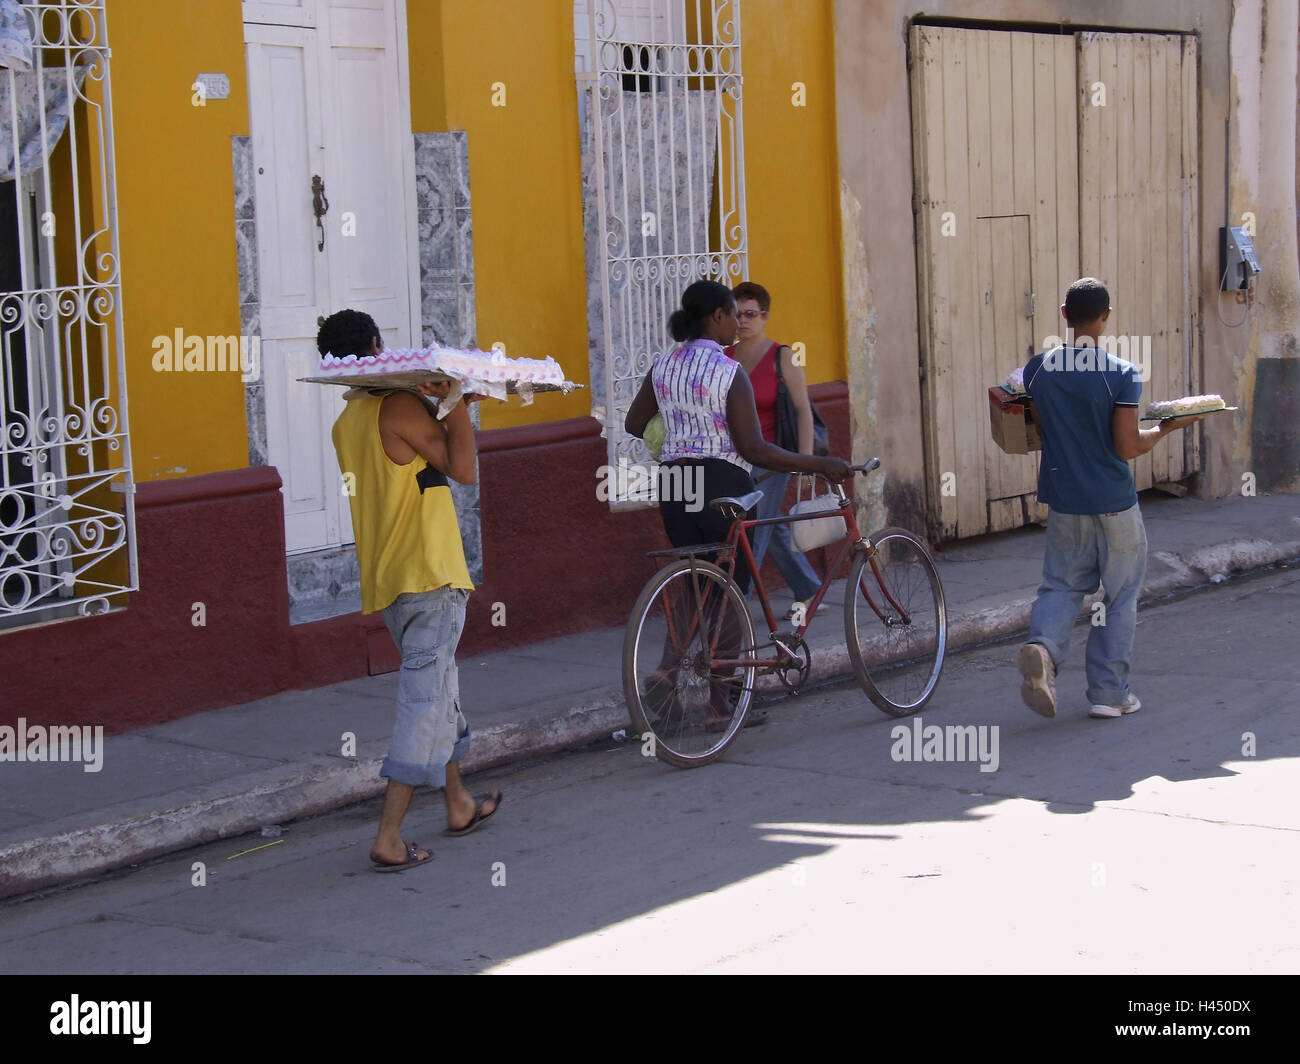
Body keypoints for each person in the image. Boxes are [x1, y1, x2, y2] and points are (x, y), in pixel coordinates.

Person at [320, 309, 501, 872]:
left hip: (390, 580)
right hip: (430, 574)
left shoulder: (346, 421)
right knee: (425, 705)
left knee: (438, 691)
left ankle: (459, 803)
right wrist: (458, 405)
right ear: (378, 347)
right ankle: (389, 836)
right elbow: (463, 469)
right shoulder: (396, 407)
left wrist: (444, 406)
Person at [625, 281, 851, 727]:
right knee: (729, 589)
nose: (737, 323)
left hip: (675, 484)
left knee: (694, 581)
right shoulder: (729, 373)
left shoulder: (664, 365)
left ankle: (667, 672)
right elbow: (755, 449)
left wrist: (679, 429)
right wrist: (818, 464)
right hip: (722, 484)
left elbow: (635, 422)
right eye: (732, 314)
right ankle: (718, 705)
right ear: (715, 318)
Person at [1017, 278, 1205, 720]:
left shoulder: (1037, 369)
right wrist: (1164, 429)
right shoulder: (1121, 373)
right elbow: (1126, 446)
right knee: (1118, 596)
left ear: (1064, 315)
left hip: (1064, 498)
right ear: (1106, 317)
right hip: (1113, 501)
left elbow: (1044, 428)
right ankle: (1108, 693)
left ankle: (1043, 649)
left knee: (1061, 584)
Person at [725, 281, 823, 618]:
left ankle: (736, 604)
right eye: (737, 314)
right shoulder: (725, 357)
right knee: (770, 526)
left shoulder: (782, 356)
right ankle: (809, 588)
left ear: (765, 316)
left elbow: (802, 410)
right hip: (735, 459)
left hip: (771, 460)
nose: (743, 321)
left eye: (750, 314)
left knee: (754, 532)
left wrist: (806, 463)